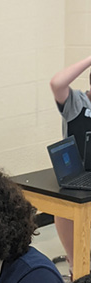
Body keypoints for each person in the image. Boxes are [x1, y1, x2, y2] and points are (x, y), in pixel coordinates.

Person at [50, 54, 91, 271]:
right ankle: (76, 266)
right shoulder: (76, 103)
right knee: (65, 207)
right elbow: (57, 83)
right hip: (77, 176)